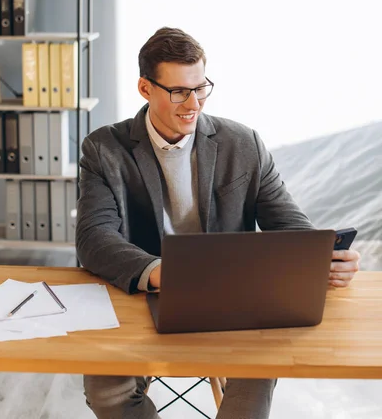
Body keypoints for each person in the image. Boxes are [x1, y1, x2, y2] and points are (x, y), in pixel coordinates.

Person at [76, 27, 360, 419]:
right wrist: (161, 272)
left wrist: (325, 257)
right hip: (144, 297)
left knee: (251, 393)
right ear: (145, 88)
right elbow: (94, 237)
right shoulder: (104, 148)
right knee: (107, 390)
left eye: (201, 88)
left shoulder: (243, 143)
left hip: (235, 302)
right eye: (178, 91)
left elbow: (289, 224)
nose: (193, 103)